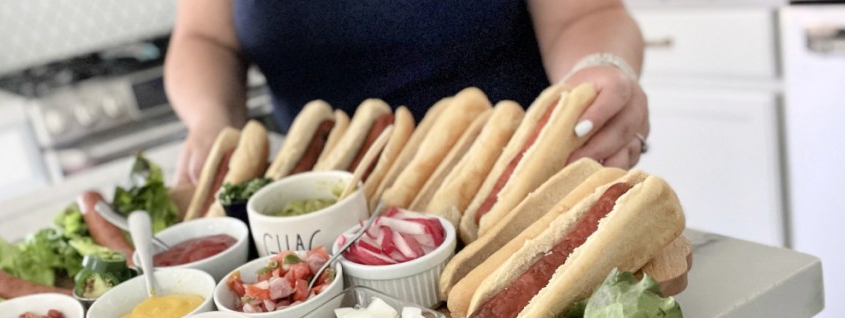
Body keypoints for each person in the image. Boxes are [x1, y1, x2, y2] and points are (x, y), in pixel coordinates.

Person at [165, 0, 649, 186]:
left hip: (516, 190)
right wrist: (210, 117)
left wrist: (598, 68)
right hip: (318, 224)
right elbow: (204, 38)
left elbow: (586, 14)